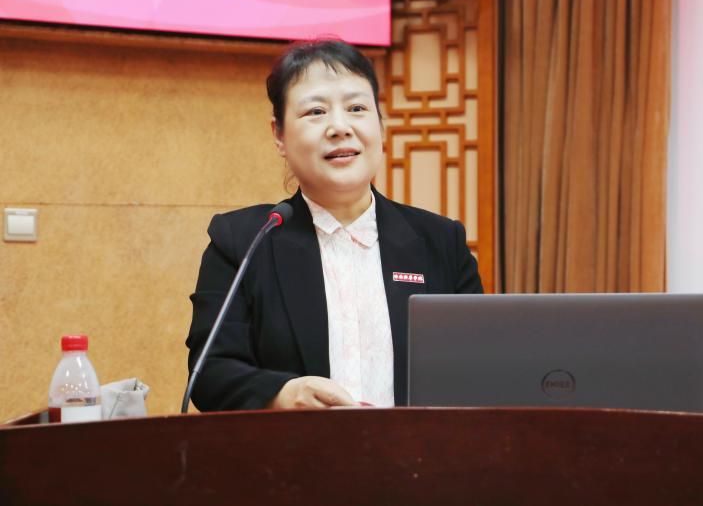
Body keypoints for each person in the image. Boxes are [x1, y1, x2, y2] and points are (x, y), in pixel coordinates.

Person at [186, 39, 482, 411]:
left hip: (416, 449)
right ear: (279, 134)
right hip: (292, 448)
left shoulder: (441, 242)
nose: (340, 127)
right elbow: (210, 372)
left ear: (380, 124)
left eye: (357, 108)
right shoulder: (243, 242)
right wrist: (283, 394)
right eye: (316, 112)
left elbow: (478, 368)